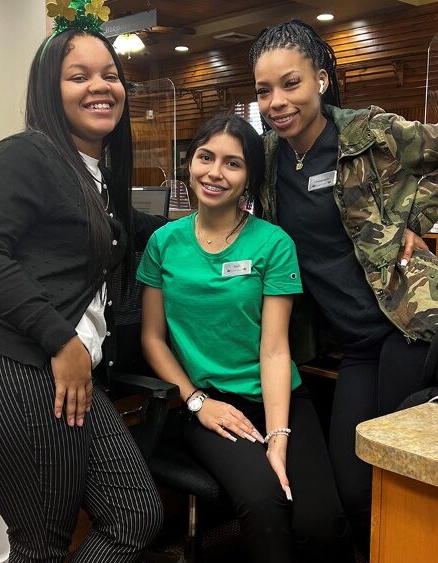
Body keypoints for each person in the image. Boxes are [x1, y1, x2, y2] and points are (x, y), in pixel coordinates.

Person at [249, 19, 438, 554]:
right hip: (356, 344)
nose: (277, 101)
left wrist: (417, 218)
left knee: (396, 474)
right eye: (264, 90)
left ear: (321, 78)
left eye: (290, 83)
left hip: (412, 326)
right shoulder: (267, 159)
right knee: (353, 482)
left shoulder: (368, 132)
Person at [0, 6, 164, 562]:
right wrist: (61, 339)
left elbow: (125, 237)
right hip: (6, 367)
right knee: (40, 545)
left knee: (135, 513)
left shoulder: (96, 177)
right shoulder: (27, 153)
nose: (100, 86)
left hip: (51, 371)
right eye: (78, 76)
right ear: (48, 89)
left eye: (109, 74)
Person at [138, 114, 353, 563]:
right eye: (205, 157)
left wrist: (278, 435)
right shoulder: (163, 242)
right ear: (190, 163)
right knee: (265, 505)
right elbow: (153, 339)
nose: (215, 173)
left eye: (232, 164)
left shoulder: (272, 243)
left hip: (280, 397)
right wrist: (196, 401)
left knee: (321, 522)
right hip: (211, 403)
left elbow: (274, 348)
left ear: (250, 177)